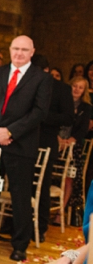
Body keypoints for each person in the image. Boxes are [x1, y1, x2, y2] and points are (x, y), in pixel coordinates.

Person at [0, 35, 52, 262]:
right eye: (15, 49)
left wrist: (9, 132)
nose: (19, 53)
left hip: (21, 144)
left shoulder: (41, 78)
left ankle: (20, 244)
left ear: (32, 52)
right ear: (10, 50)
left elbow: (39, 113)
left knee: (20, 197)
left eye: (24, 50)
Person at [34, 54, 74, 242]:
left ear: (46, 72)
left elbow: (67, 117)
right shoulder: (28, 84)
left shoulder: (61, 89)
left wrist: (41, 116)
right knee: (22, 184)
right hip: (25, 140)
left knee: (43, 184)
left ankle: (41, 226)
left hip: (47, 140)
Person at [61, 77, 91, 221]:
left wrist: (69, 141)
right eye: (74, 86)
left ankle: (60, 212)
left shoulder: (86, 108)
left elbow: (82, 130)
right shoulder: (61, 102)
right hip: (57, 141)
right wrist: (59, 139)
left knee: (69, 177)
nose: (77, 89)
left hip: (73, 145)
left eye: (80, 87)